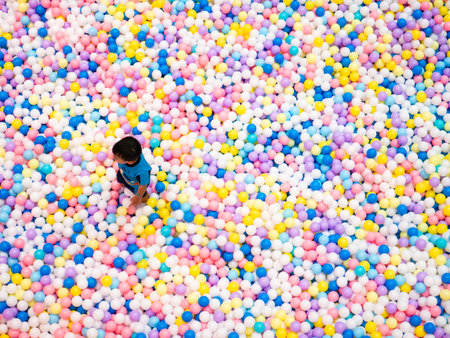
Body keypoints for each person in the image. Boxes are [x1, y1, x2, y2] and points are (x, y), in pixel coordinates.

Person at [112, 136, 151, 207]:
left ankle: (143, 197)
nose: (113, 157)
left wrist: (138, 196)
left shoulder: (142, 172)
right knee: (122, 182)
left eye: (116, 157)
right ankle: (124, 183)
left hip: (135, 184)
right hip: (123, 173)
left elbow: (143, 185)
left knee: (143, 197)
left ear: (129, 161)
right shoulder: (129, 155)